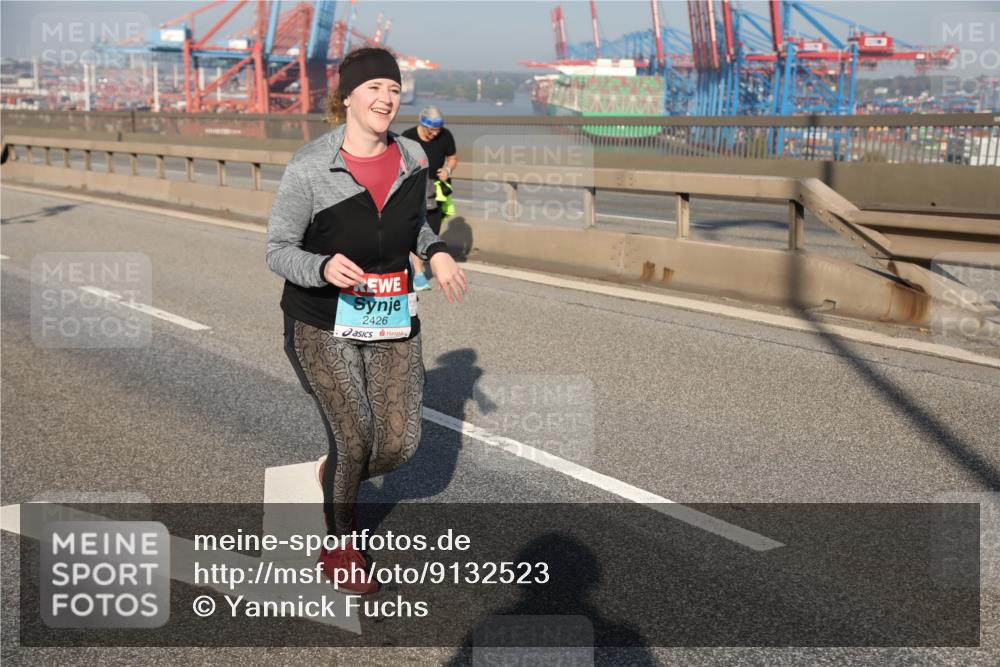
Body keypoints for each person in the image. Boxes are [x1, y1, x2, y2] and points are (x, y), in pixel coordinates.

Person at [265, 47, 468, 595]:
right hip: (321, 320)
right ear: (348, 96)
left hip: (391, 317)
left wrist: (437, 250)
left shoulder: (413, 158)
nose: (386, 98)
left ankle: (332, 472)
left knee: (398, 446)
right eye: (374, 87)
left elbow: (417, 225)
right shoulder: (310, 166)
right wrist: (323, 266)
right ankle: (340, 545)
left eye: (394, 89)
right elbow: (277, 249)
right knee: (354, 438)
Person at [402, 107, 457, 290]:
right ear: (422, 124)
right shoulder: (407, 137)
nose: (434, 134)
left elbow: (452, 158)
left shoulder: (445, 135)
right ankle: (418, 274)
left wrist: (448, 170)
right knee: (415, 229)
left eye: (437, 131)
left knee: (433, 230)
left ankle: (418, 263)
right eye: (430, 131)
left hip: (436, 189)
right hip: (414, 188)